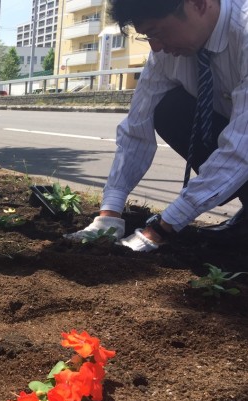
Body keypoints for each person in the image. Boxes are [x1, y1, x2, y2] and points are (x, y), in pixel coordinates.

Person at [65, 0, 248, 251]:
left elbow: (241, 148)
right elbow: (136, 128)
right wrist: (110, 213)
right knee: (169, 109)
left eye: (159, 32)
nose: (156, 46)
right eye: (148, 37)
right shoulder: (165, 54)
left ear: (199, 4)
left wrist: (163, 227)